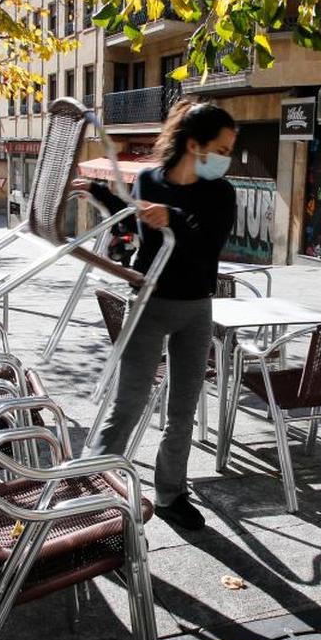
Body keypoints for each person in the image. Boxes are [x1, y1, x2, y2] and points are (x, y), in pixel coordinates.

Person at [76, 100, 237, 530]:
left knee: (183, 410)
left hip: (196, 309)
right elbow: (134, 225)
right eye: (221, 147)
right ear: (194, 144)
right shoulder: (149, 179)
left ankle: (170, 494)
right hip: (147, 304)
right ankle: (93, 486)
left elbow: (208, 247)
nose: (227, 157)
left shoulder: (220, 193)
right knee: (128, 403)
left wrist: (175, 219)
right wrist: (100, 194)